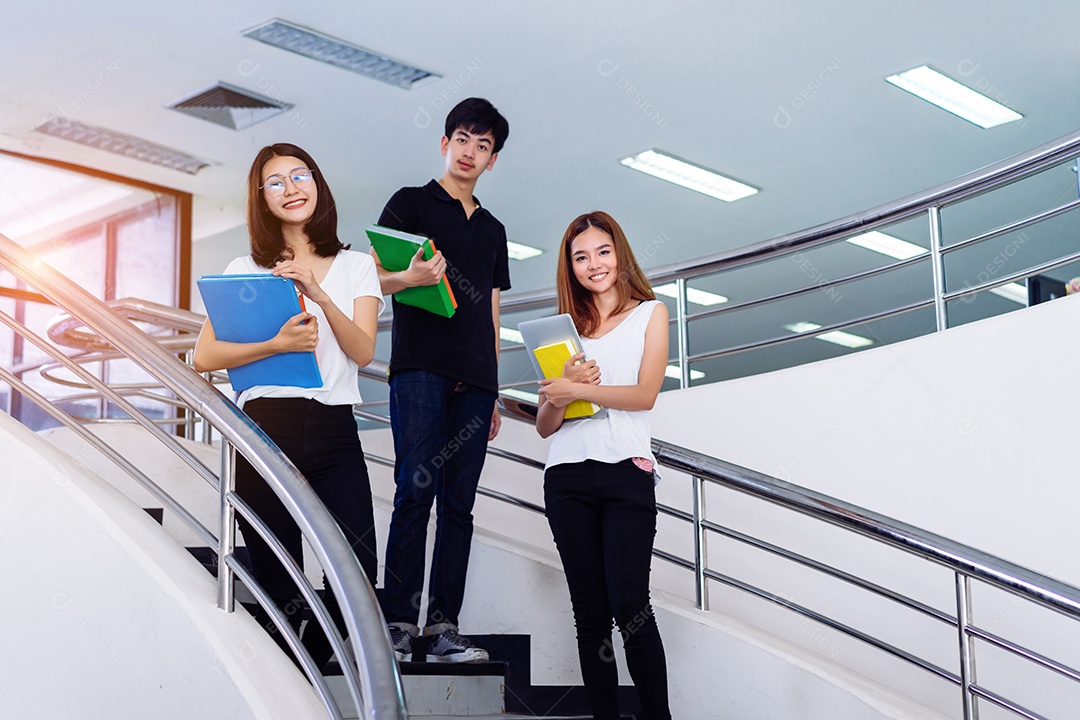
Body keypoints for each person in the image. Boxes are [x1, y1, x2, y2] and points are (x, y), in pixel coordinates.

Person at [193, 143, 383, 670]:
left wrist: (319, 294)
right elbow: (204, 356)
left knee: (357, 566)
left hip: (333, 427)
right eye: (275, 182)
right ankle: (294, 680)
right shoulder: (245, 268)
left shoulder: (356, 266)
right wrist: (275, 344)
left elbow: (363, 352)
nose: (291, 188)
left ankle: (318, 661)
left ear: (317, 183)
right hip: (265, 428)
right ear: (262, 199)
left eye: (300, 176)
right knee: (278, 570)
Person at [371, 97, 510, 663]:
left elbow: (493, 311)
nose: (470, 152)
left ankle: (443, 627)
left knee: (459, 506)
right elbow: (371, 278)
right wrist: (410, 276)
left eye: (483, 145)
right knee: (414, 491)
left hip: (476, 381)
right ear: (445, 143)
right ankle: (399, 623)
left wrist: (494, 389)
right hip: (419, 371)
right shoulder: (410, 202)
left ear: (493, 160)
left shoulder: (494, 229)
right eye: (462, 139)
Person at [535, 211, 672, 720]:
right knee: (589, 615)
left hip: (625, 472)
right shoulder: (562, 333)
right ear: (570, 268)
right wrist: (560, 393)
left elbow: (645, 394)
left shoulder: (650, 314)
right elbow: (546, 425)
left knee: (631, 606)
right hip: (566, 476)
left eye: (603, 252)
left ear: (620, 255)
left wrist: (581, 389)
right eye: (581, 257)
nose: (594, 264)